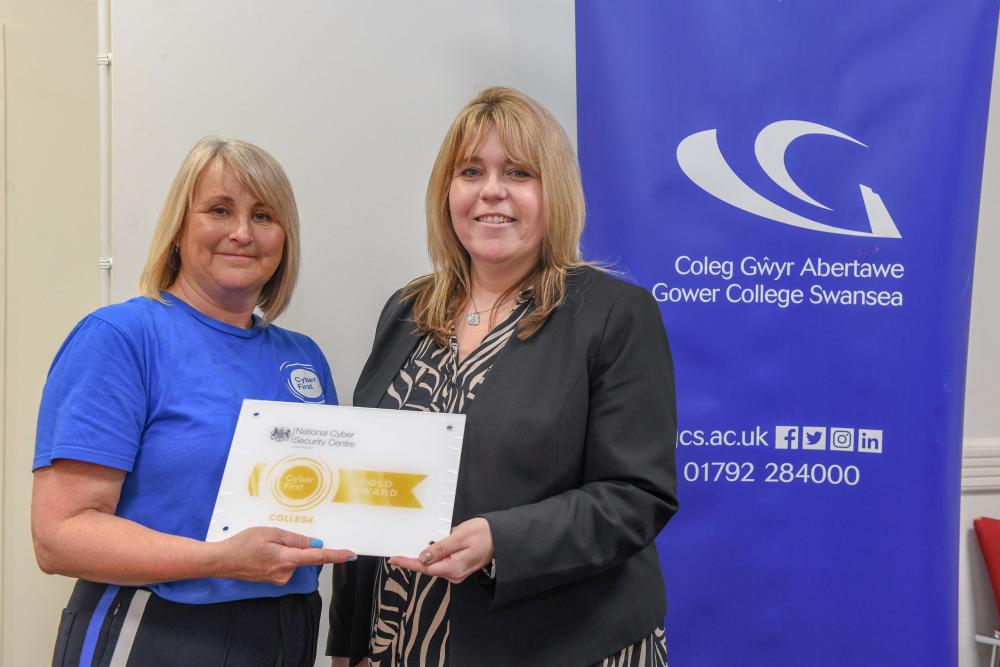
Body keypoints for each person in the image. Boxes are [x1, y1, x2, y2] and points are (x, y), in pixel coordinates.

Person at [329, 87, 677, 666]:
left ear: (553, 191)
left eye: (518, 172)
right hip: (404, 642)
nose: (492, 190)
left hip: (566, 645)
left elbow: (636, 496)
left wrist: (501, 541)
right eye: (471, 171)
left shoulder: (614, 314)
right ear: (447, 191)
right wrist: (348, 645)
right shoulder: (407, 309)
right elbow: (365, 486)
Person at [31, 137, 355, 667]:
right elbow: (59, 536)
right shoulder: (121, 338)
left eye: (263, 216)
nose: (242, 232)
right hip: (156, 628)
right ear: (179, 228)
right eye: (219, 210)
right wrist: (220, 559)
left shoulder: (303, 358)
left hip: (287, 630)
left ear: (285, 238)